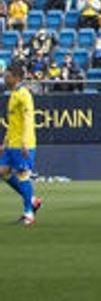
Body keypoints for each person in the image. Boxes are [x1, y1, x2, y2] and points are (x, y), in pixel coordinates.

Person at [1, 62, 41, 225]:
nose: (5, 78)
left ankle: (28, 214)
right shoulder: (13, 94)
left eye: (8, 76)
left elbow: (28, 119)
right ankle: (32, 200)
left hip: (23, 143)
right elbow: (13, 122)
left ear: (16, 77)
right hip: (12, 143)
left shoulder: (24, 95)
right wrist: (5, 142)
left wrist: (24, 141)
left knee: (23, 175)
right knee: (2, 171)